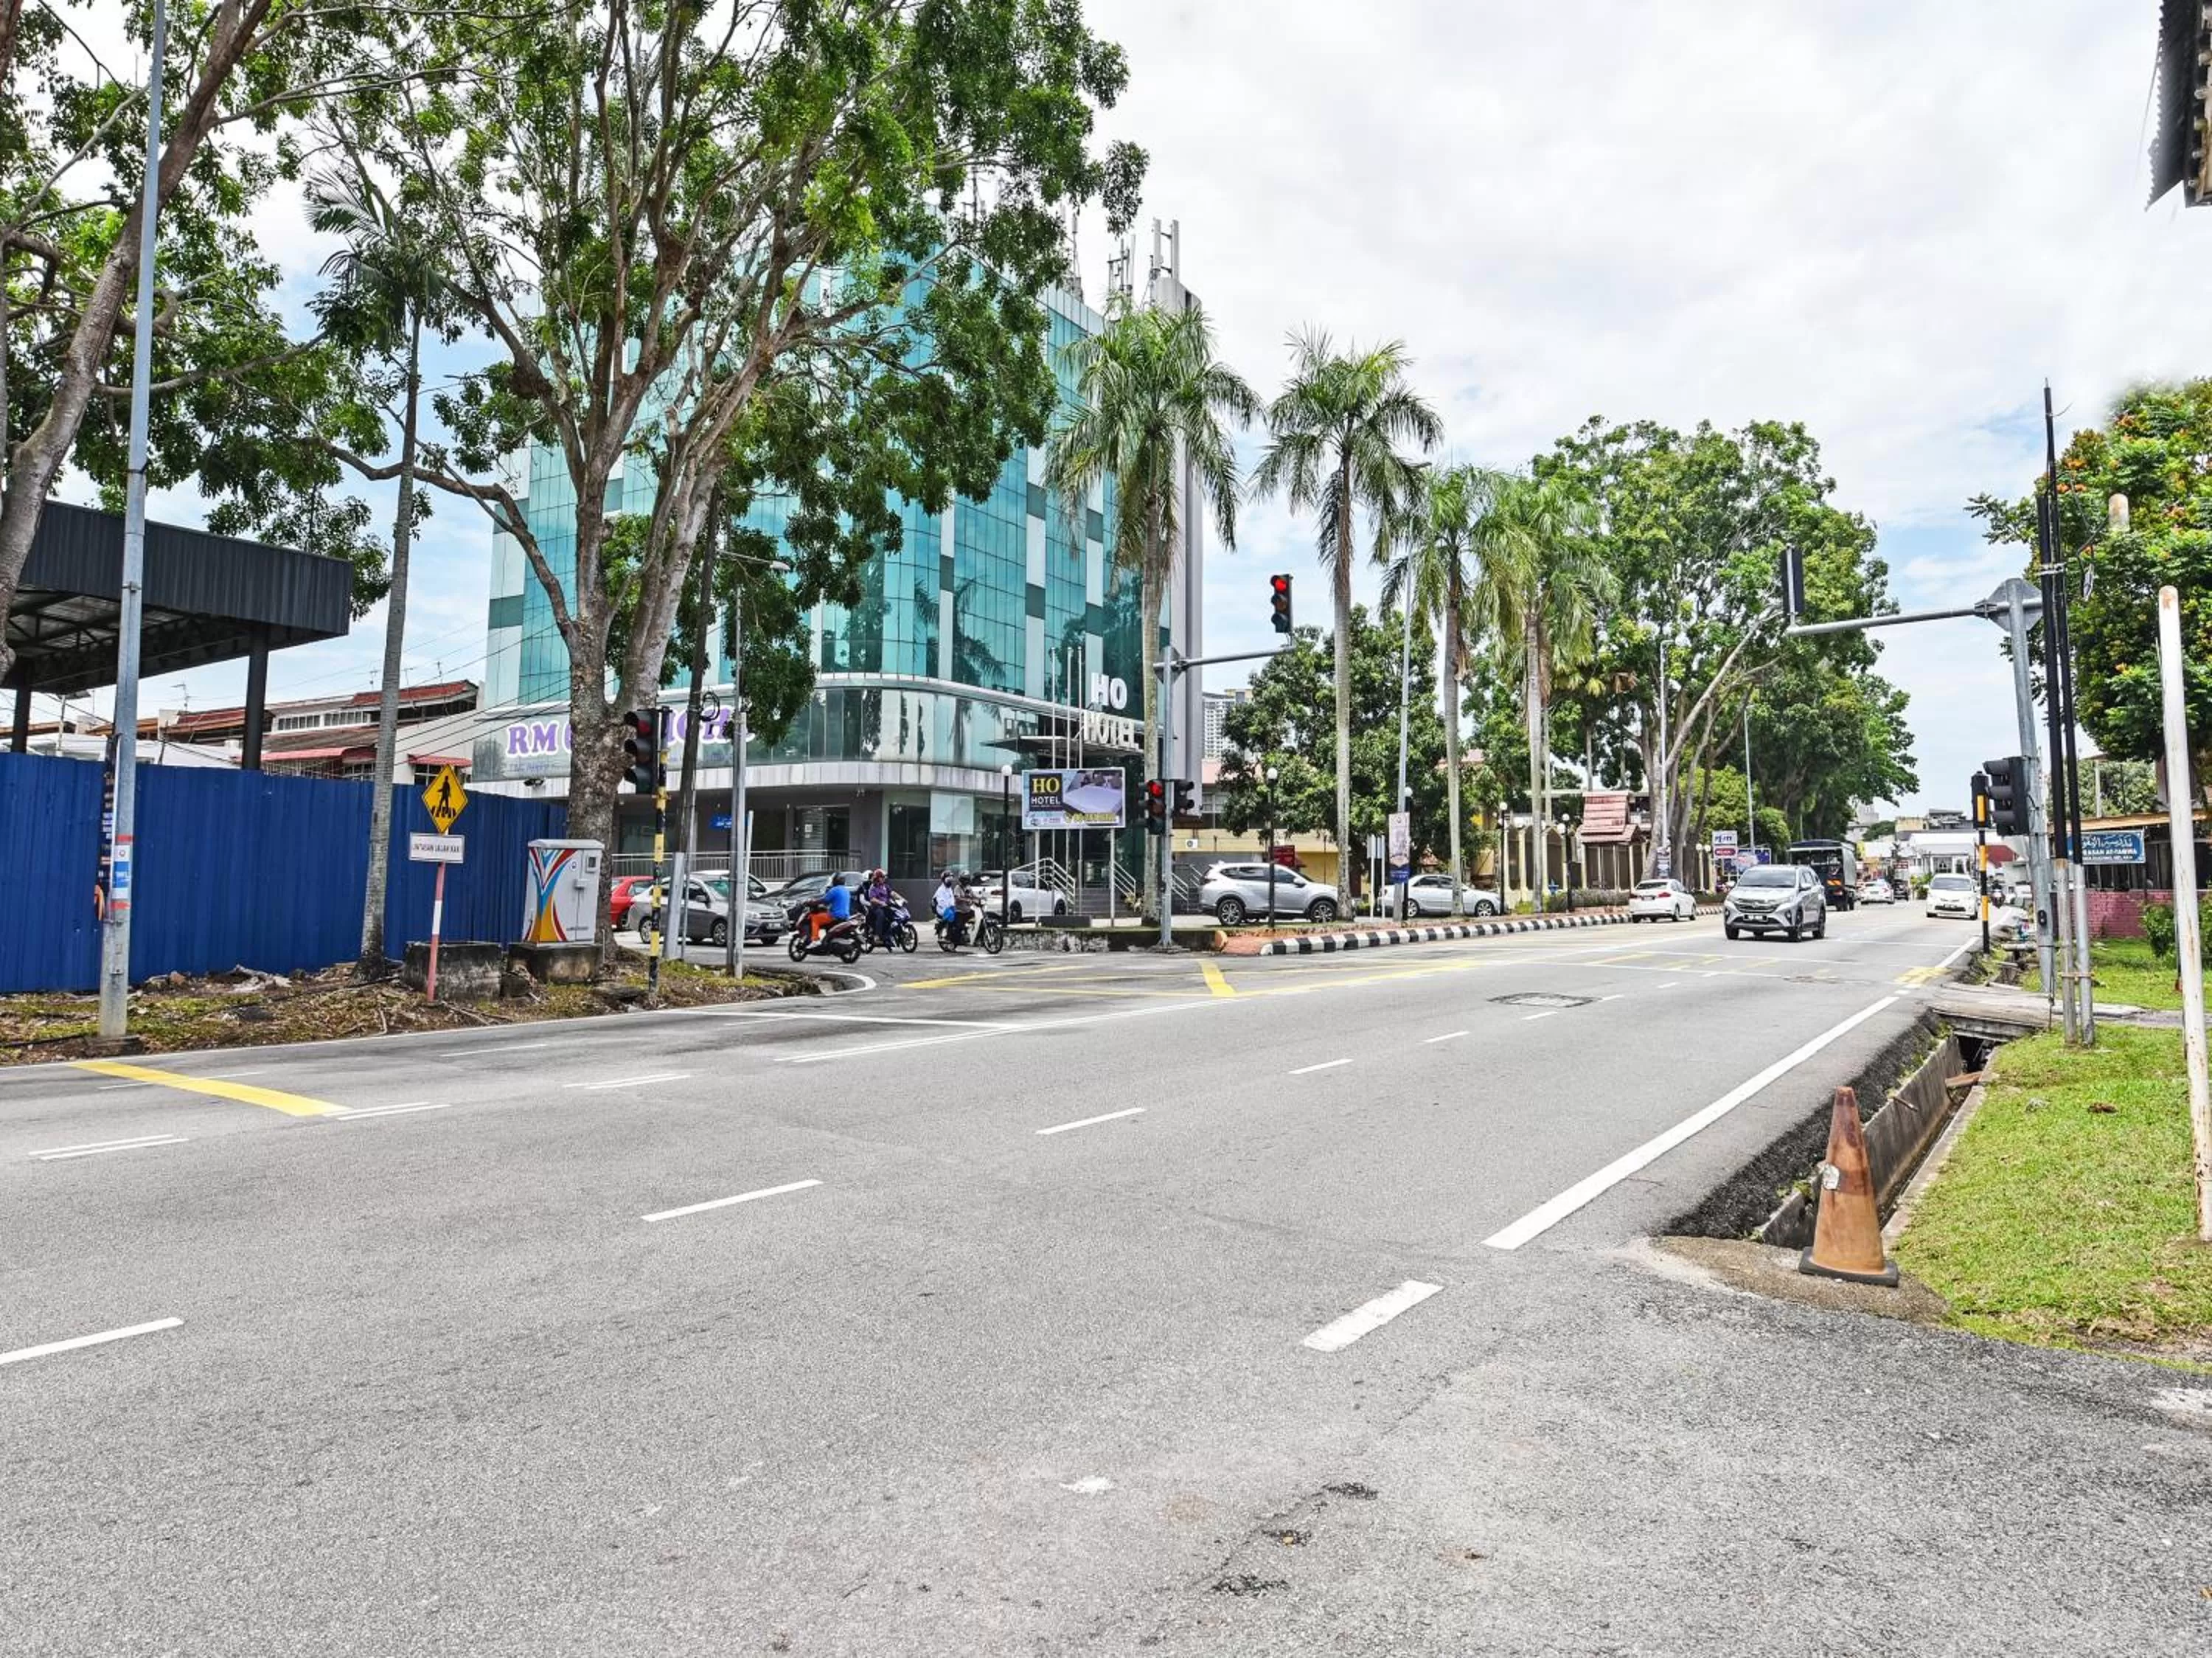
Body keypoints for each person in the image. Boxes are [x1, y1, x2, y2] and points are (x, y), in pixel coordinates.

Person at [933, 870, 961, 946]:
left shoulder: (949, 889)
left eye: (951, 880)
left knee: (960, 915)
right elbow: (941, 902)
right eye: (948, 880)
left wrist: (953, 906)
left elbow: (952, 899)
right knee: (951, 915)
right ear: (944, 880)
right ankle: (948, 937)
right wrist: (949, 907)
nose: (950, 882)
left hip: (949, 907)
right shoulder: (941, 890)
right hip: (942, 909)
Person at [865, 869, 894, 946]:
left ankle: (888, 934)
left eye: (884, 877)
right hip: (876, 907)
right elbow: (872, 899)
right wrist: (881, 902)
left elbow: (892, 893)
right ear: (877, 878)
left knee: (893, 914)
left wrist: (901, 898)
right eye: (882, 877)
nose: (884, 879)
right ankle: (877, 935)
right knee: (881, 915)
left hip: (885, 906)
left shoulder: (885, 886)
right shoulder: (873, 887)